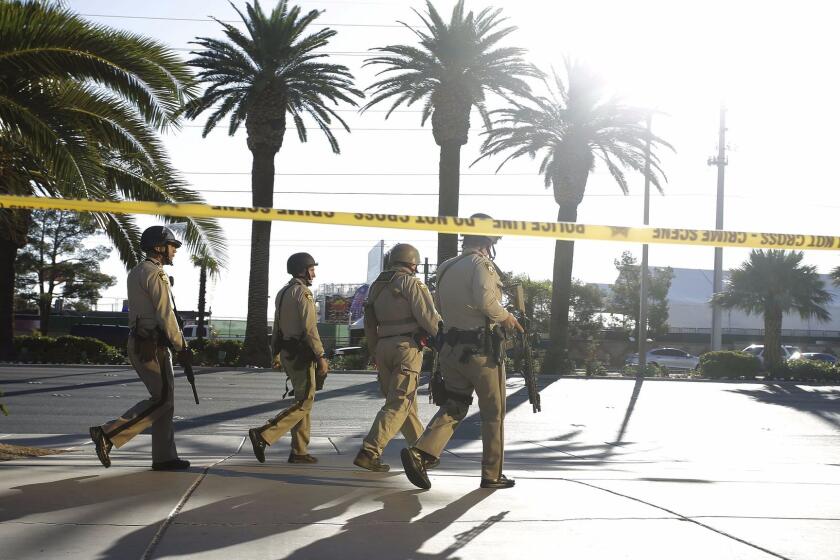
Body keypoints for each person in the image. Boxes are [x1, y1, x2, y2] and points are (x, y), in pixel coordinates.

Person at [400, 214, 523, 490]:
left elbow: (439, 306)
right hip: (482, 353)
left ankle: (421, 453)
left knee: (455, 404)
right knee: (493, 412)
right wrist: (507, 318)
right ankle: (492, 474)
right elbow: (486, 301)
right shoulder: (482, 265)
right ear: (488, 240)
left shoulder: (446, 267)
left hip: (452, 350)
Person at [89, 226, 191, 471]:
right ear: (159, 247)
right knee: (163, 400)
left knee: (164, 401)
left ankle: (164, 457)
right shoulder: (156, 274)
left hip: (141, 341)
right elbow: (165, 314)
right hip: (152, 345)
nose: (174, 251)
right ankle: (109, 433)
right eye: (171, 246)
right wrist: (181, 346)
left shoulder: (137, 271)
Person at [353, 244, 441, 472]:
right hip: (406, 348)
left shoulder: (377, 286)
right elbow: (429, 318)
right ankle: (370, 451)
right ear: (413, 263)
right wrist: (445, 339)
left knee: (405, 406)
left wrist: (374, 351)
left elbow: (369, 324)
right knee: (400, 403)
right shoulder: (411, 283)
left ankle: (423, 452)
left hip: (382, 347)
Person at [247, 252, 329, 464]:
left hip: (287, 351)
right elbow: (310, 328)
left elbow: (276, 326)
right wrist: (321, 355)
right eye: (311, 269)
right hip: (302, 353)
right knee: (304, 402)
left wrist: (275, 352)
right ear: (302, 270)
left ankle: (299, 451)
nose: (314, 274)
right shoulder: (303, 294)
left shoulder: (283, 292)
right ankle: (264, 434)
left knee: (303, 400)